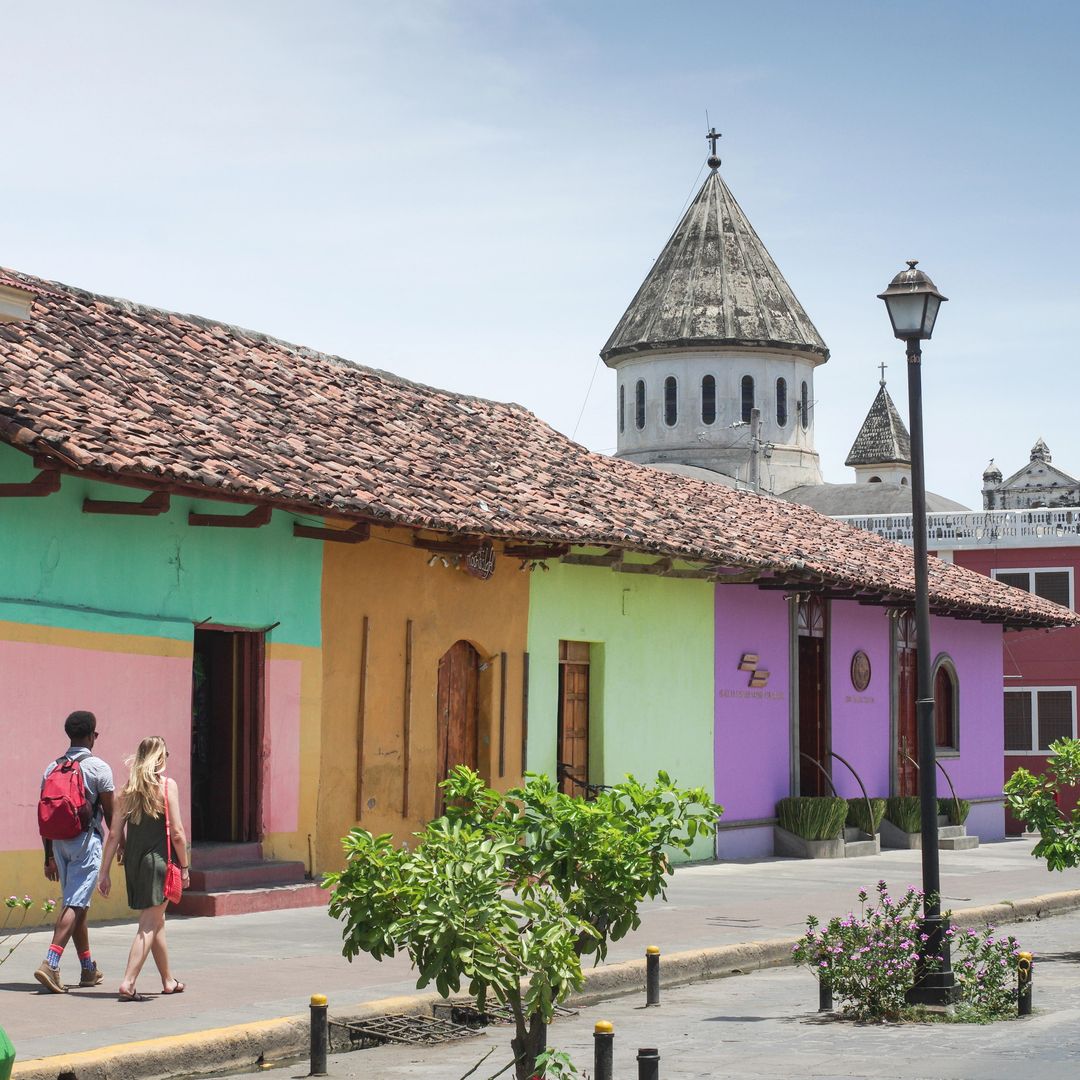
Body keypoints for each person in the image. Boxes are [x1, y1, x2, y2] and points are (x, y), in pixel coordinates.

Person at [98, 736, 190, 1000]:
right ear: (159, 758)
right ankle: (128, 982)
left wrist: (104, 873)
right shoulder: (166, 786)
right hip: (158, 863)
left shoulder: (127, 790)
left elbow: (114, 835)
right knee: (148, 924)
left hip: (135, 865)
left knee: (157, 921)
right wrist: (184, 866)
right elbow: (178, 834)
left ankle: (168, 980)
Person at [36, 710, 115, 994]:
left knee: (78, 903)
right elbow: (110, 815)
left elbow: (46, 815)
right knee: (75, 904)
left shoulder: (51, 767)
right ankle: (51, 963)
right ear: (92, 734)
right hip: (85, 842)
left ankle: (88, 969)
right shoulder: (99, 768)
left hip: (58, 843)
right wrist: (121, 846)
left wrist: (47, 857)